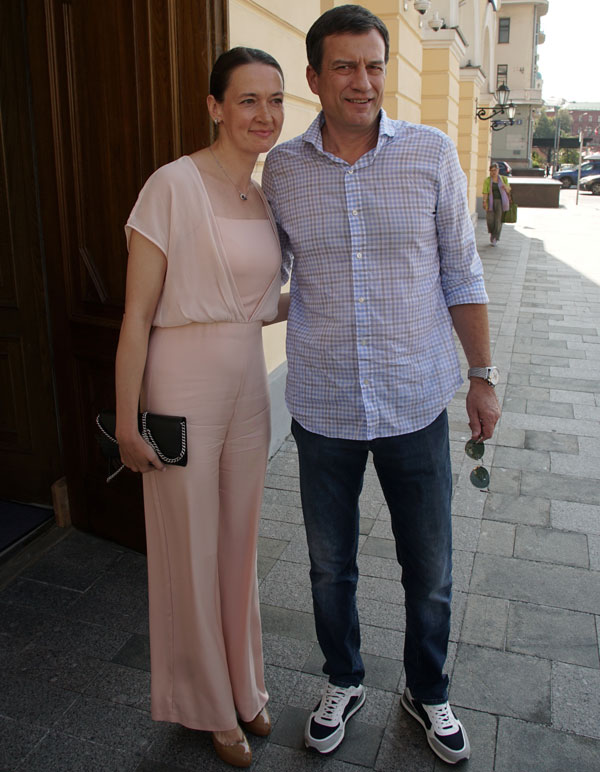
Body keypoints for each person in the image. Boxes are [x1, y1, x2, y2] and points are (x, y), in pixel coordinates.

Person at [262, 5, 501, 766]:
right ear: (314, 77)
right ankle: (344, 679)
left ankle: (427, 690)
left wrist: (482, 377)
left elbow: (462, 273)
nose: (362, 82)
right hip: (323, 403)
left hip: (415, 399)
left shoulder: (430, 153)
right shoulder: (284, 170)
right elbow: (266, 273)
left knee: (429, 568)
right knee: (328, 565)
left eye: (373, 65)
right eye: (345, 66)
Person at [114, 47, 287, 769]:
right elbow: (135, 316)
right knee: (189, 548)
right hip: (180, 382)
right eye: (248, 100)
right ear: (215, 107)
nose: (264, 114)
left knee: (240, 543)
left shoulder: (263, 196)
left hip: (248, 380)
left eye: (275, 100)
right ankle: (208, 705)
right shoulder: (172, 185)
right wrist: (126, 421)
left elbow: (259, 303)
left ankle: (245, 686)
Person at [482, 162, 511, 246]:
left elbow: (509, 190)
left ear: (498, 170)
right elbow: (485, 192)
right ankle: (492, 233)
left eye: (495, 170)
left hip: (501, 202)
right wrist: (484, 201)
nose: (493, 172)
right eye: (491, 170)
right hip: (490, 202)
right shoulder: (487, 180)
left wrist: (505, 187)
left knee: (498, 220)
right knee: (490, 220)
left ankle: (495, 237)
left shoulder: (503, 179)